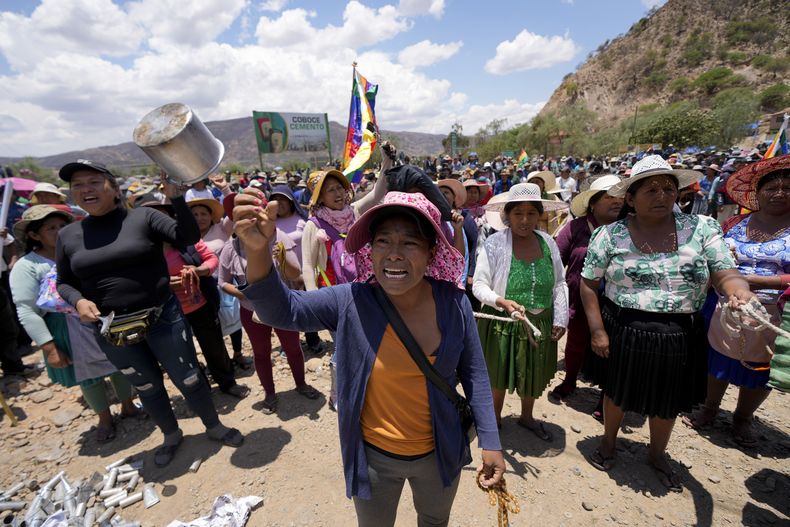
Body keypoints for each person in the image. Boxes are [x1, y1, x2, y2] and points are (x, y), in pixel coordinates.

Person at [233, 189, 505, 526]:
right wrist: (258, 252)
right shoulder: (351, 301)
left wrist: (491, 442)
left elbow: (475, 374)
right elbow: (284, 310)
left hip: (440, 454)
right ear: (370, 249)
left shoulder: (453, 303)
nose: (393, 255)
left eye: (409, 243)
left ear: (432, 252)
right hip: (374, 460)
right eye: (383, 242)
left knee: (434, 521)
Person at [579, 155, 754, 491]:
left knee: (667, 399)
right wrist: (598, 329)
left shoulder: (701, 228)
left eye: (669, 188)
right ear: (630, 198)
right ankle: (609, 441)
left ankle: (658, 453)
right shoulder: (609, 235)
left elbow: (725, 271)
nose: (662, 195)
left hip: (679, 333)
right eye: (651, 189)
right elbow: (589, 283)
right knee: (616, 392)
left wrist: (739, 291)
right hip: (625, 327)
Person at [55, 160, 243, 467]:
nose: (85, 189)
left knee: (189, 376)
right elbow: (64, 282)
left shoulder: (144, 217)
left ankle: (214, 425)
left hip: (162, 317)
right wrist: (77, 301)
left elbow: (186, 236)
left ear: (114, 188)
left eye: (93, 182)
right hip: (113, 328)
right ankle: (171, 435)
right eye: (77, 185)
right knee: (146, 385)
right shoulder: (69, 235)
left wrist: (178, 199)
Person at [683, 155, 790, 446]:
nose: (779, 193)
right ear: (758, 193)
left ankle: (743, 418)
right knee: (716, 359)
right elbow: (712, 255)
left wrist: (751, 282)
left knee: (760, 369)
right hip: (723, 305)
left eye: (786, 188)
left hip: (771, 312)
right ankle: (709, 408)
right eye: (771, 188)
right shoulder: (735, 223)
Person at [10, 205, 140, 442]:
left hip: (99, 316)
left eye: (63, 226)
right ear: (34, 235)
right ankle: (104, 418)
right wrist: (48, 347)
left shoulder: (78, 250)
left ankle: (128, 404)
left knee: (119, 363)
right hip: (66, 328)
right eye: (51, 228)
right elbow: (26, 310)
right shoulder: (27, 266)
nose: (59, 232)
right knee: (88, 376)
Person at [473, 183, 569, 438]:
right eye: (518, 214)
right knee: (498, 373)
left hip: (541, 321)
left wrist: (560, 316)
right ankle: (493, 420)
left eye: (531, 213)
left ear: (540, 215)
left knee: (533, 370)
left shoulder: (548, 242)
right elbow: (479, 285)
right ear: (507, 216)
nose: (525, 220)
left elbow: (559, 282)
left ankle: (527, 417)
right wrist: (500, 301)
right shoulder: (494, 244)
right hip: (503, 323)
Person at [136, 196, 249, 399]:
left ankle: (227, 382)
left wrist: (200, 270)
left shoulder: (187, 239)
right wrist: (163, 284)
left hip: (200, 304)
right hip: (167, 312)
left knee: (213, 346)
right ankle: (201, 389)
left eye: (160, 217)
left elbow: (211, 259)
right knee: (184, 352)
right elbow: (136, 281)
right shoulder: (139, 251)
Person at [218, 194, 320, 414]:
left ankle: (301, 384)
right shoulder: (230, 249)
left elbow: (296, 275)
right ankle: (270, 394)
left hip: (282, 307)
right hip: (250, 311)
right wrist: (244, 294)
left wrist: (281, 260)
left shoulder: (278, 237)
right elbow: (222, 282)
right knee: (261, 353)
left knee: (292, 348)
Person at [550, 175, 623, 403]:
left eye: (619, 197)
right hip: (580, 300)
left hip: (616, 304)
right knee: (576, 343)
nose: (616, 201)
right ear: (593, 202)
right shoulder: (576, 228)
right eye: (609, 197)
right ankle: (570, 380)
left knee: (613, 349)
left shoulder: (629, 229)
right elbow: (554, 260)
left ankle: (606, 397)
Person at [187, 195, 252, 371]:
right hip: (201, 288)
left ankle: (237, 353)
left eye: (203, 214)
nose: (200, 218)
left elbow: (234, 212)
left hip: (226, 283)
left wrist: (225, 189)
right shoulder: (185, 236)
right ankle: (222, 360)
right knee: (213, 326)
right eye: (195, 214)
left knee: (234, 320)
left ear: (211, 216)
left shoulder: (222, 228)